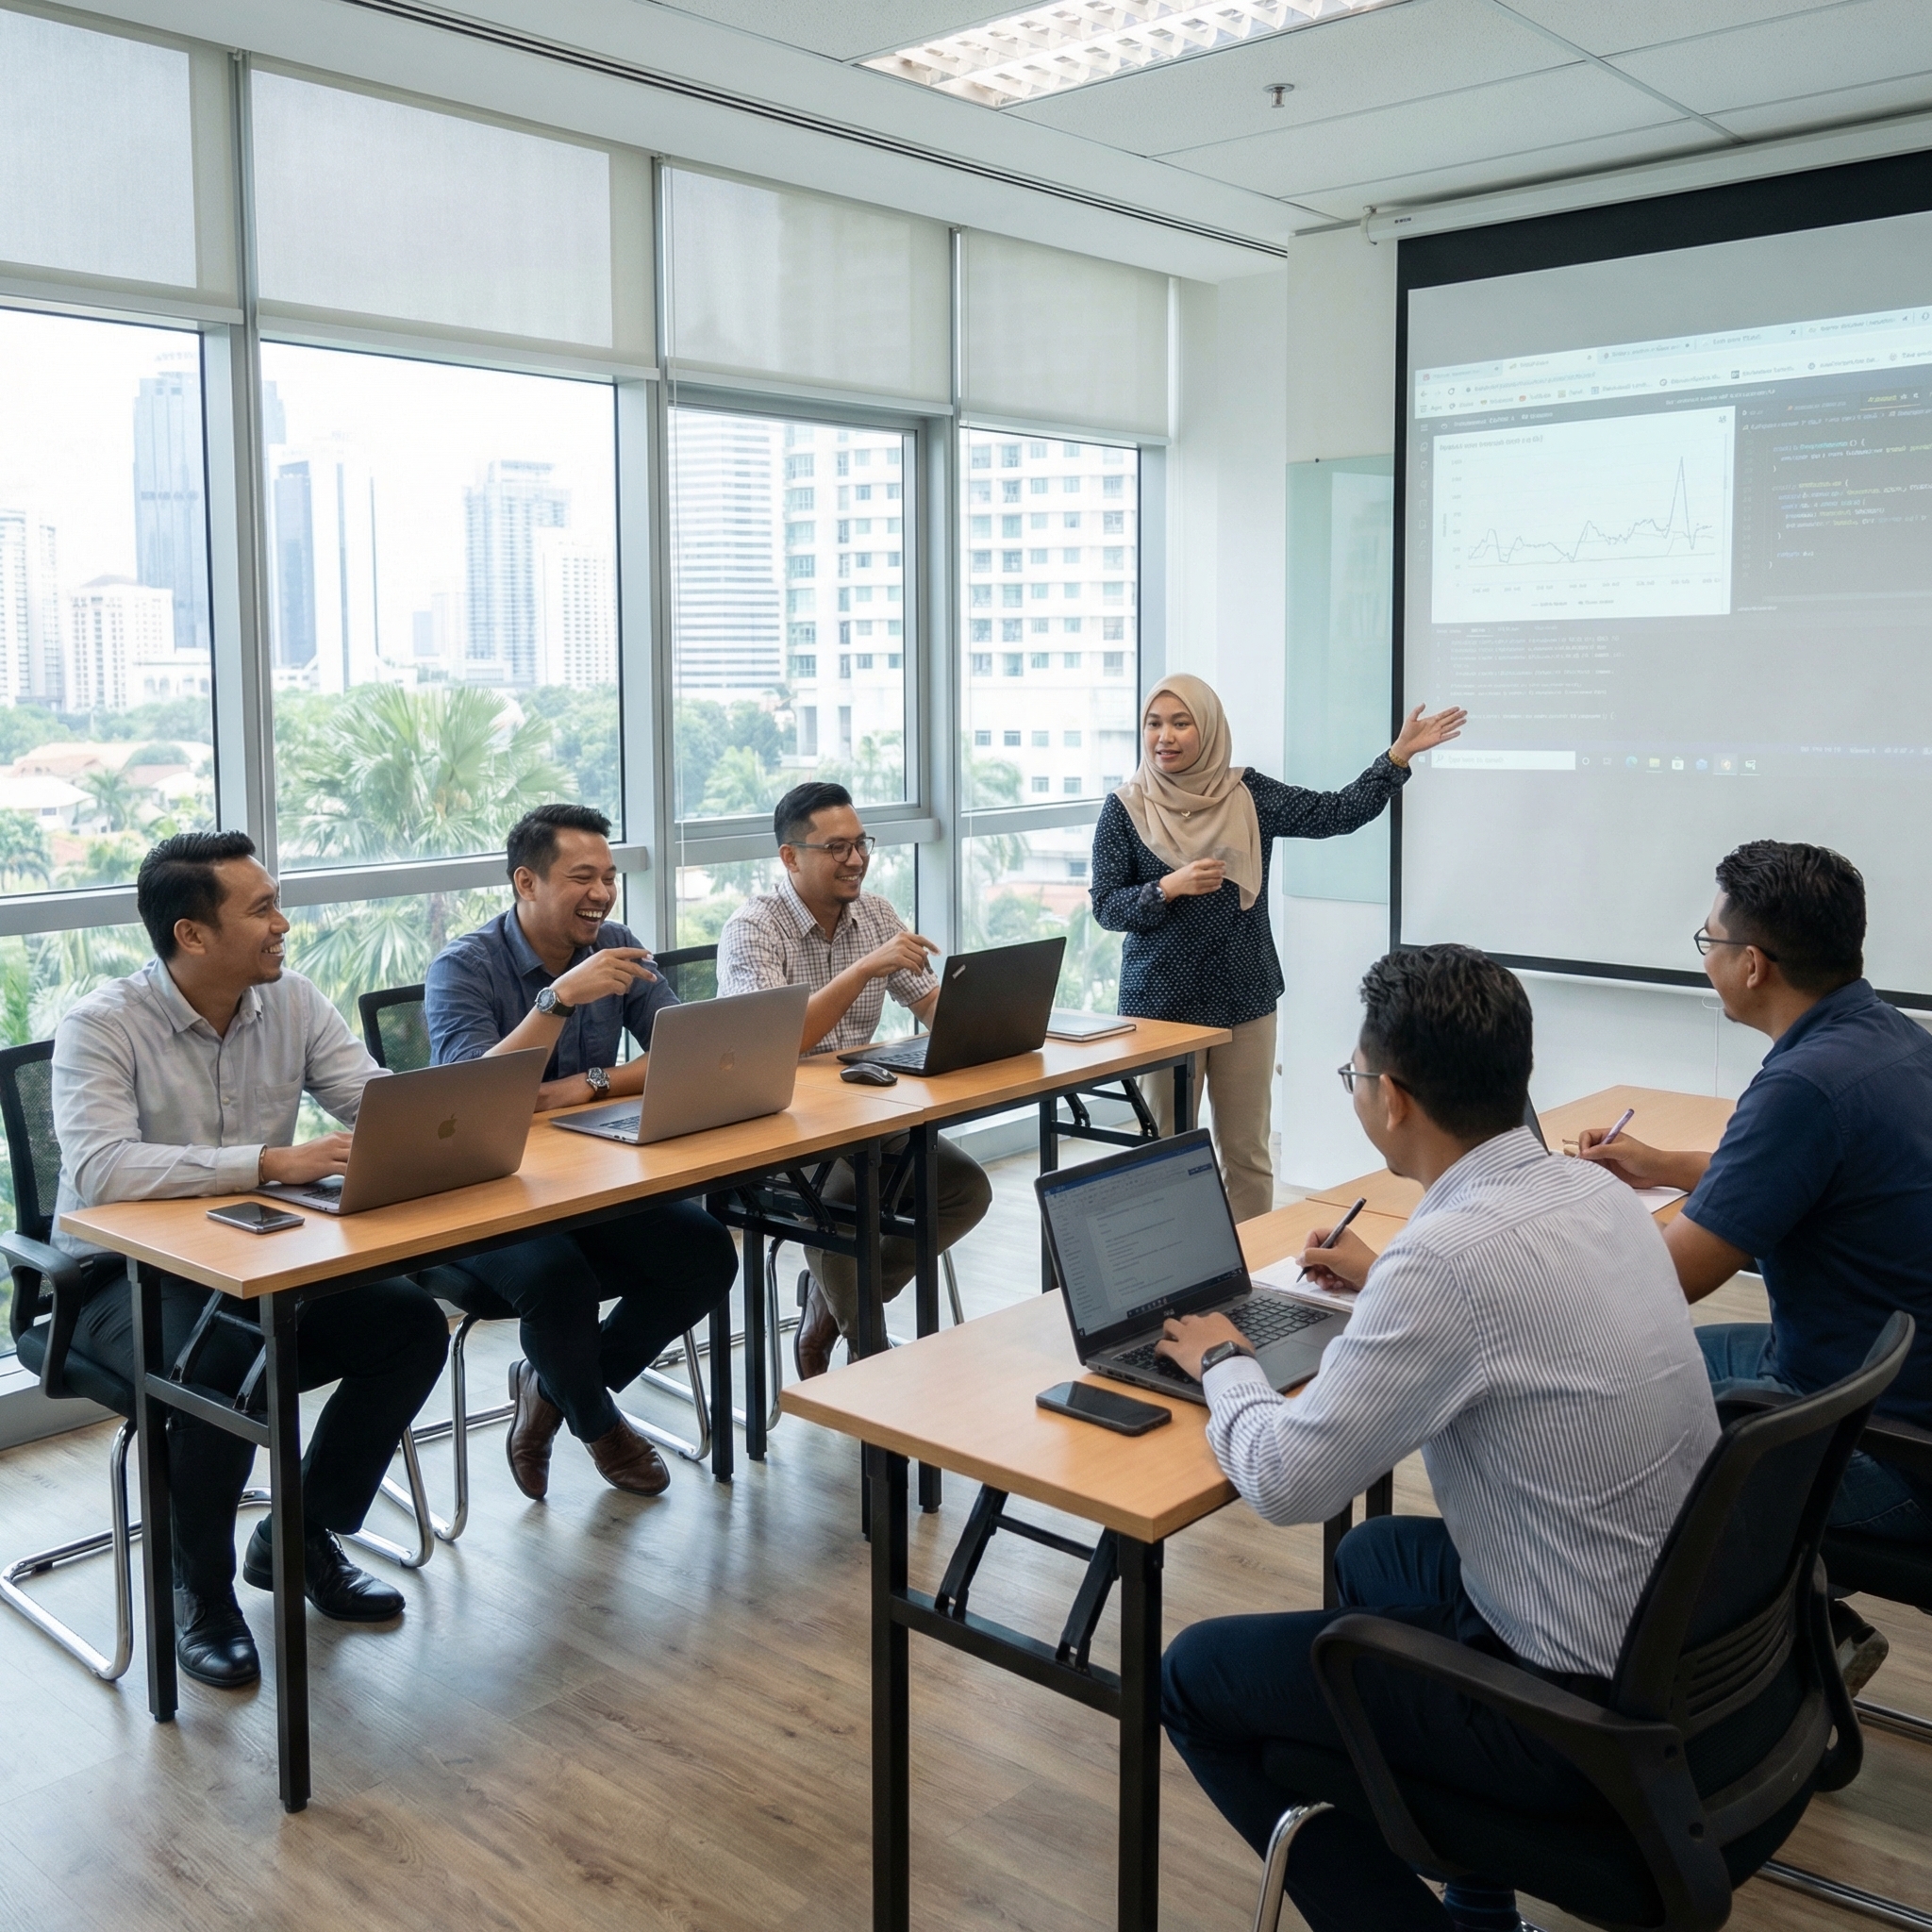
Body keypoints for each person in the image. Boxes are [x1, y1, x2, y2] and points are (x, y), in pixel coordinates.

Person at [1158, 945, 1718, 1932]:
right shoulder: (1590, 1191)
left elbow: (1287, 1483)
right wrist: (1386, 1283)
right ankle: (1477, 1900)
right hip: (1675, 1636)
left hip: (1572, 1711)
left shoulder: (1446, 1260)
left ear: (1395, 1098)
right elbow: (1510, 1312)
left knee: (1195, 1676)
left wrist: (1222, 1361)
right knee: (1377, 1554)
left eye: (1353, 1077)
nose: (1356, 1093)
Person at [51, 832, 450, 1690]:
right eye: (262, 909)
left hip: (257, 1259)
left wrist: (433, 1117)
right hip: (117, 1281)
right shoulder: (102, 1025)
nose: (283, 925)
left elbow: (365, 1098)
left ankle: (301, 1532)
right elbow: (101, 1170)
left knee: (409, 1326)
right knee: (222, 1363)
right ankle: (204, 1593)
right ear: (192, 935)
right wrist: (272, 1163)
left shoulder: (294, 1002)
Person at [1578, 840, 1932, 1687]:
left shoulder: (1804, 1088)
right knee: (1648, 1374)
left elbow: (1659, 1287)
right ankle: (1806, 1620)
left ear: (1753, 965)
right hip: (1881, 1386)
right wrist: (1662, 1164)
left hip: (1889, 1452)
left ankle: (1753, 1662)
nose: (1706, 960)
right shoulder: (1888, 1039)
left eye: (1708, 943)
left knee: (1601, 1411)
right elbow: (1808, 1168)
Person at [425, 804, 738, 1501]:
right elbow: (470, 1097)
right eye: (581, 877)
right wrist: (558, 1000)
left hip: (582, 1179)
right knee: (558, 1278)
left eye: (609, 876)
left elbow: (684, 1051)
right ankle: (598, 1423)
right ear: (526, 883)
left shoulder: (617, 943)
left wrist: (585, 1084)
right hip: (476, 1195)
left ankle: (550, 1386)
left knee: (707, 1252)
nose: (602, 893)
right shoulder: (464, 967)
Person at [1089, 674, 1466, 1223]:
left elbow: (1334, 813)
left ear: (1210, 729)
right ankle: (1169, 1276)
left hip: (1245, 998)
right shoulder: (1124, 808)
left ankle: (1251, 1273)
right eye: (1153, 724)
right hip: (1162, 1009)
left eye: (1180, 722)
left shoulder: (1248, 794)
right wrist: (1166, 888)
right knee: (1162, 1158)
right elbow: (1104, 905)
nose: (1164, 737)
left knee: (1247, 1153)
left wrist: (1397, 757)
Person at [716, 781, 991, 1378]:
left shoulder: (875, 913)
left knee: (965, 1189)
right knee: (842, 1202)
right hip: (773, 1127)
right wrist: (866, 967)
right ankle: (870, 1351)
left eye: (861, 843)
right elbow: (776, 1043)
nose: (858, 859)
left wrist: (989, 1016)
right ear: (790, 857)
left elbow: (929, 1007)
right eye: (837, 848)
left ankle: (828, 1306)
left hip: (860, 1117)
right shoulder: (753, 928)